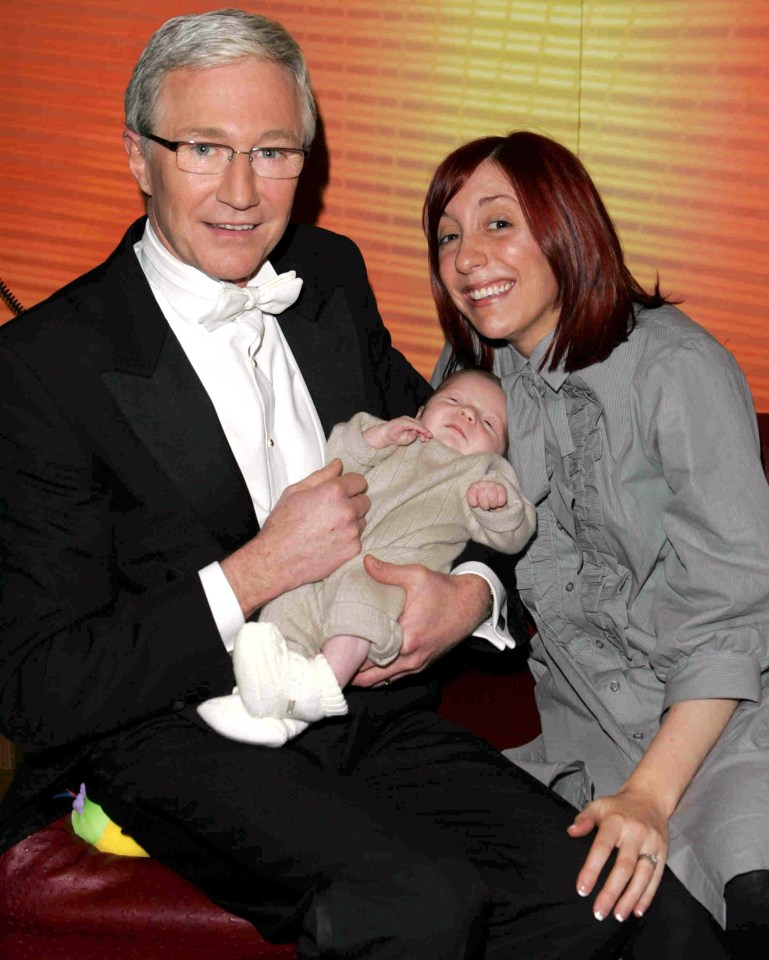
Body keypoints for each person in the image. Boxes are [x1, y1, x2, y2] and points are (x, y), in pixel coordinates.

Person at [0, 10, 637, 959]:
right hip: (178, 726)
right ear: (138, 156)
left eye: (273, 151)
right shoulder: (41, 364)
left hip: (370, 704)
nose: (243, 192)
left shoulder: (328, 275)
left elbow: (455, 468)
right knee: (414, 903)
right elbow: (41, 689)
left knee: (594, 896)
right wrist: (257, 571)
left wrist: (468, 599)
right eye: (204, 149)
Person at [421, 129, 769, 957]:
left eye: (498, 223)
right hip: (580, 734)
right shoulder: (470, 380)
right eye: (446, 234)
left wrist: (650, 797)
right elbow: (434, 529)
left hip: (724, 724)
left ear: (565, 225)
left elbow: (733, 614)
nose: (469, 257)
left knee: (741, 894)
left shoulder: (676, 368)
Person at [198, 369, 536, 746]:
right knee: (289, 603)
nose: (468, 415)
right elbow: (338, 458)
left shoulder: (482, 473)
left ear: (499, 453)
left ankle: (325, 685)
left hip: (390, 573)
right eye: (454, 402)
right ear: (421, 410)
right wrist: (378, 437)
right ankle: (268, 706)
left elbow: (515, 531)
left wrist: (497, 504)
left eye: (488, 422)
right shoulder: (394, 437)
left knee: (360, 603)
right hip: (328, 557)